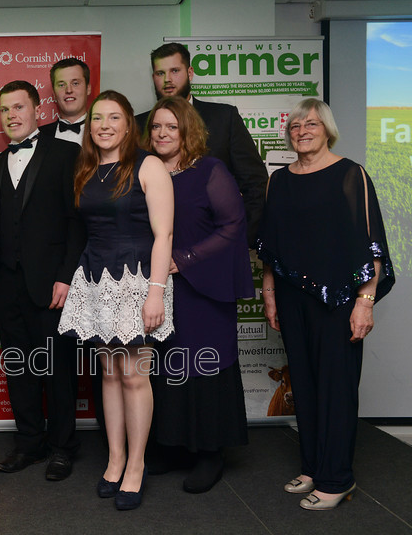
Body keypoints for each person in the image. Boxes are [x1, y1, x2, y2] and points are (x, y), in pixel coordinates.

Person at [256, 98, 394, 511]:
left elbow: (372, 246)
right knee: (306, 385)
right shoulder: (278, 180)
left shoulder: (351, 175)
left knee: (336, 389)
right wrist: (270, 294)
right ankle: (314, 467)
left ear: (327, 129)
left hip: (340, 302)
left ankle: (337, 479)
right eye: (295, 125)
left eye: (311, 123)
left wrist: (364, 303)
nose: (302, 131)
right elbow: (270, 249)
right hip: (292, 299)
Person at [58, 90, 174, 510]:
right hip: (96, 280)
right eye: (97, 119)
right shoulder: (87, 168)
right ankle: (115, 459)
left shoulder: (149, 165)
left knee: (134, 376)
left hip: (138, 281)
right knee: (108, 375)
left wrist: (156, 292)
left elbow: (164, 234)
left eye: (113, 117)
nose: (104, 125)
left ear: (128, 124)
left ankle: (137, 466)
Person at [144, 96, 254, 494]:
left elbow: (232, 225)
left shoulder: (210, 169)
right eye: (156, 126)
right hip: (159, 288)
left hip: (204, 287)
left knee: (205, 368)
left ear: (187, 130)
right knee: (166, 368)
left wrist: (185, 259)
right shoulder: (145, 171)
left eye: (171, 127)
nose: (162, 133)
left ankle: (210, 454)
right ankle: (171, 447)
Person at [0, 80, 86, 482]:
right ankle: (30, 442)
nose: (12, 116)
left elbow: (77, 223)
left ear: (36, 111)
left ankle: (63, 447)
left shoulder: (67, 153)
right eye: (5, 110)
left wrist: (66, 277)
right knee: (19, 369)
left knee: (58, 370)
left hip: (51, 285)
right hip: (7, 285)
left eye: (19, 108)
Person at [135, 42, 268, 243]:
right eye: (160, 73)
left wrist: (241, 238)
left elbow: (254, 182)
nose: (168, 79)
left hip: (213, 245)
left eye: (175, 71)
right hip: (152, 245)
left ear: (190, 72)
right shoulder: (138, 124)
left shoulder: (224, 117)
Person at [39, 58, 92, 145]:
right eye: (61, 85)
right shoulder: (39, 136)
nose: (69, 90)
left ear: (88, 89)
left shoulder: (102, 131)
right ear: (54, 94)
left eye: (75, 83)